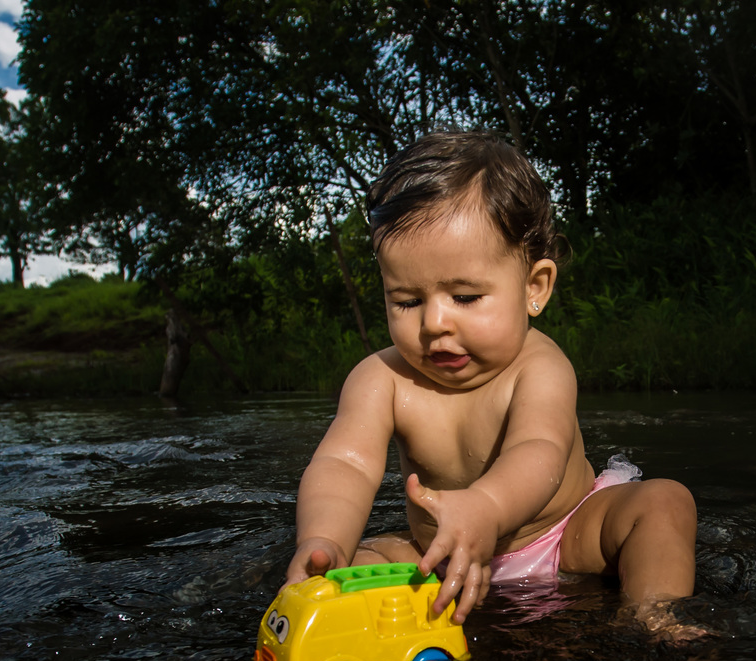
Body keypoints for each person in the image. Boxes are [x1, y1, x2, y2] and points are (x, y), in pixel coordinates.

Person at [284, 130, 697, 630]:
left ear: (534, 287)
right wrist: (323, 539)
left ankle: (656, 616)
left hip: (564, 536)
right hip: (441, 553)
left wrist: (486, 506)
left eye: (465, 297)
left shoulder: (538, 364)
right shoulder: (382, 379)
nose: (434, 323)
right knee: (357, 564)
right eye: (407, 301)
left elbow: (539, 450)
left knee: (662, 501)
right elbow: (344, 465)